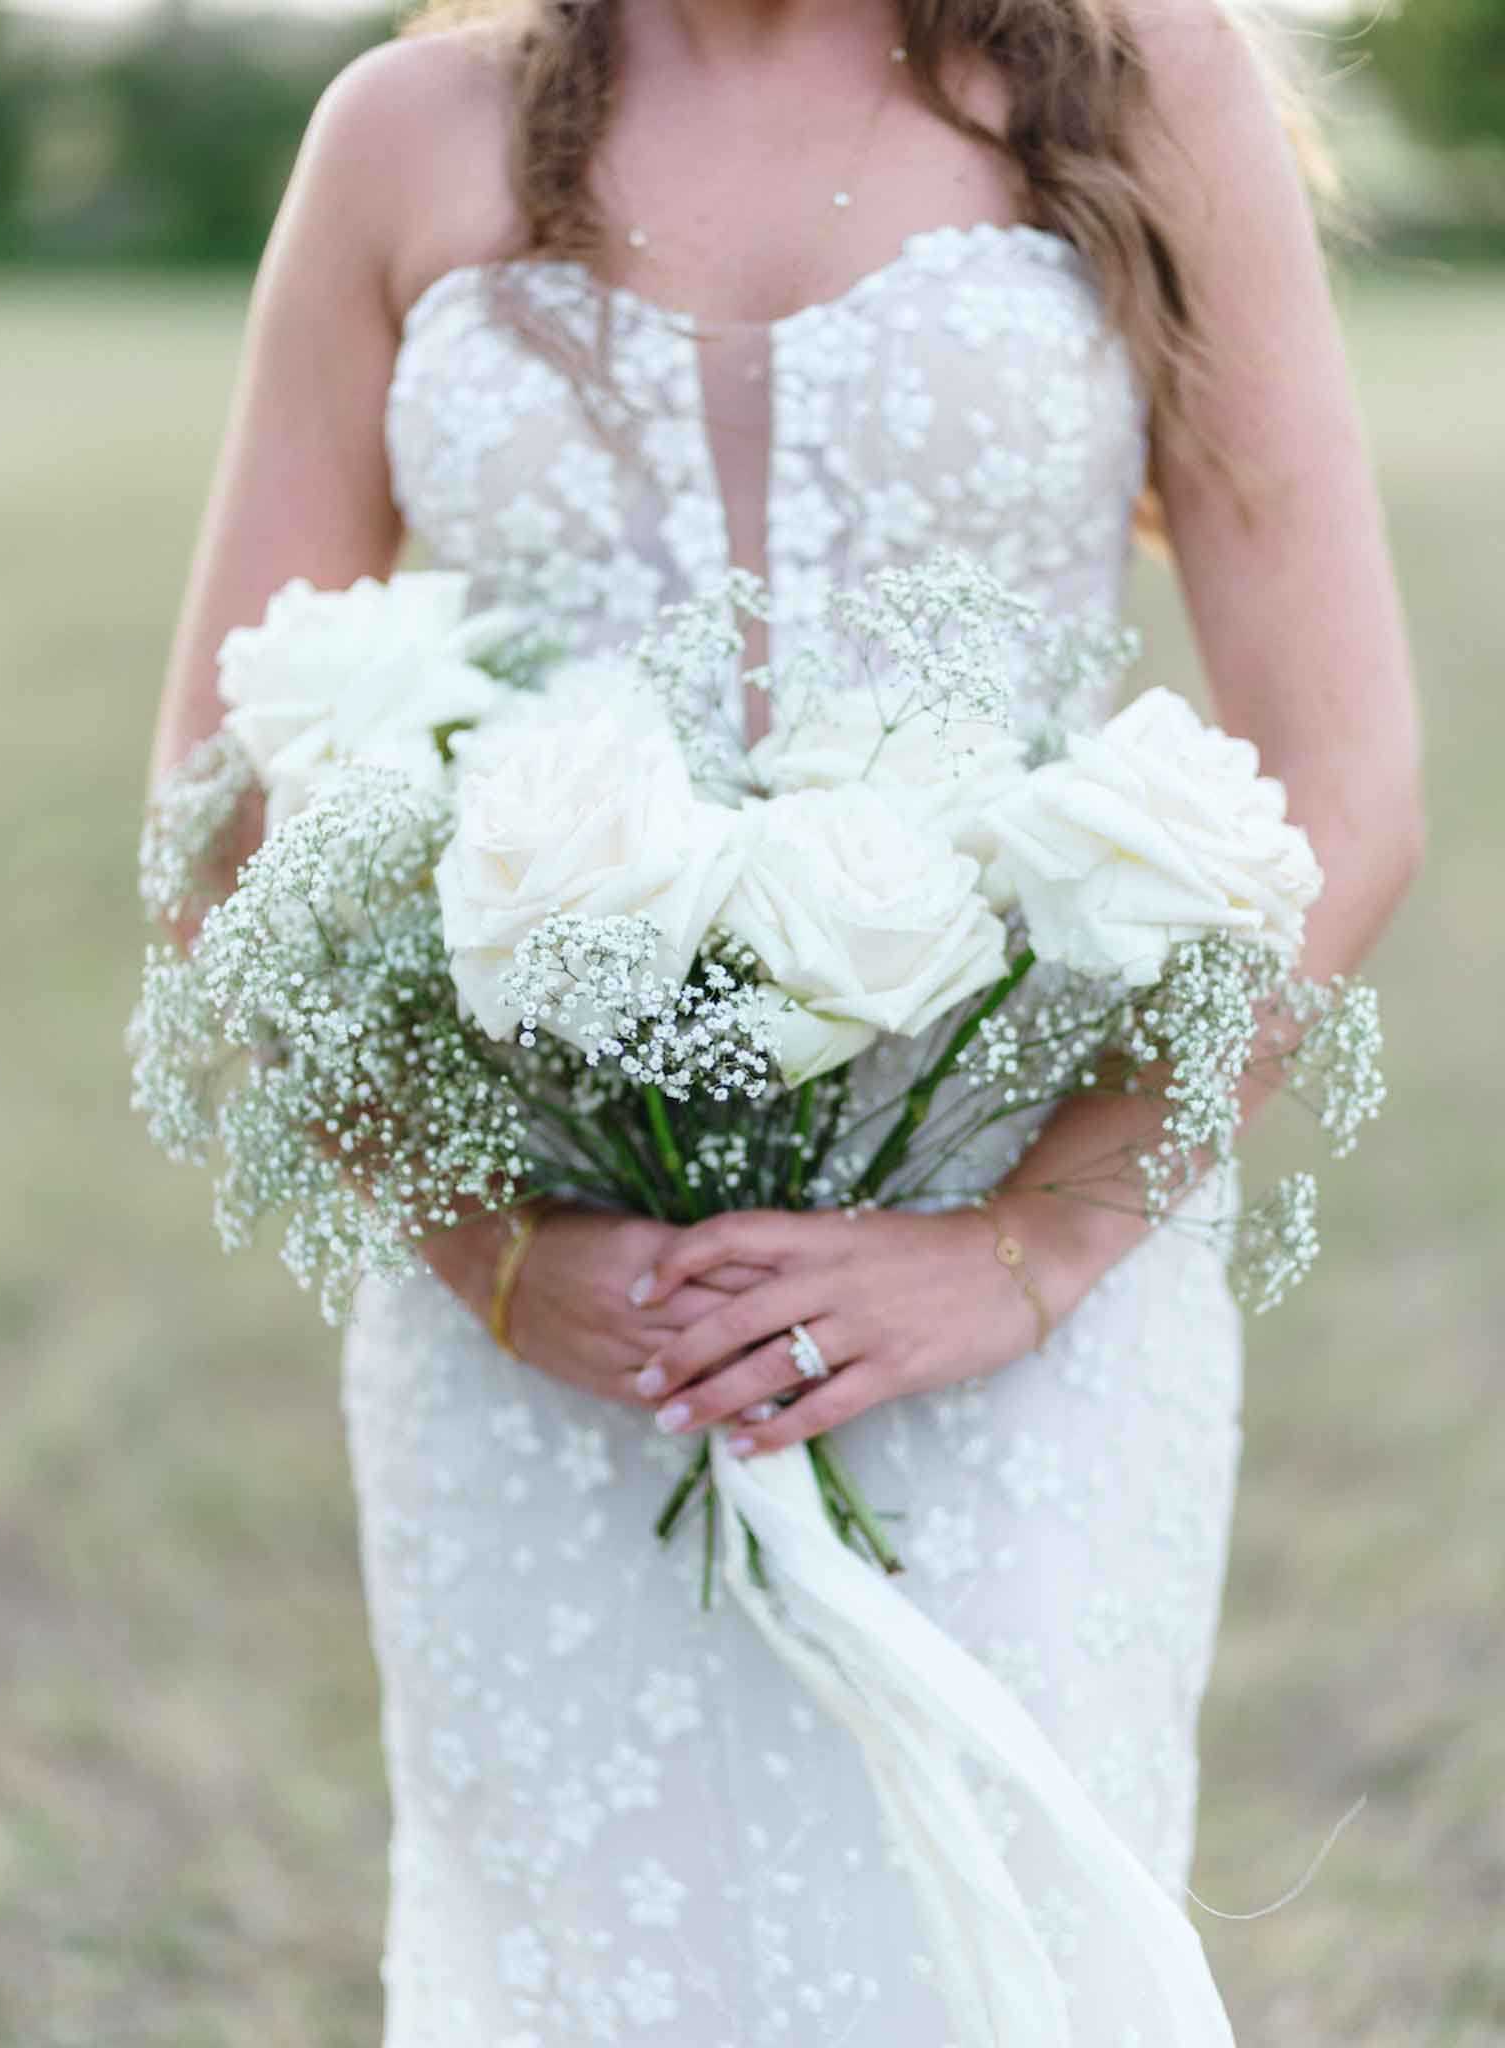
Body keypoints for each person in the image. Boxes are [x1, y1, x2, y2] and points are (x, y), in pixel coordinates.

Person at [147, 0, 1423, 2039]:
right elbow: (216, 824)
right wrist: (496, 1259)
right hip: (552, 1341)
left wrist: (1035, 1244)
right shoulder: (401, 133)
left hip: (1025, 1312)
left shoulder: (1140, 85)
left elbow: (1345, 781)